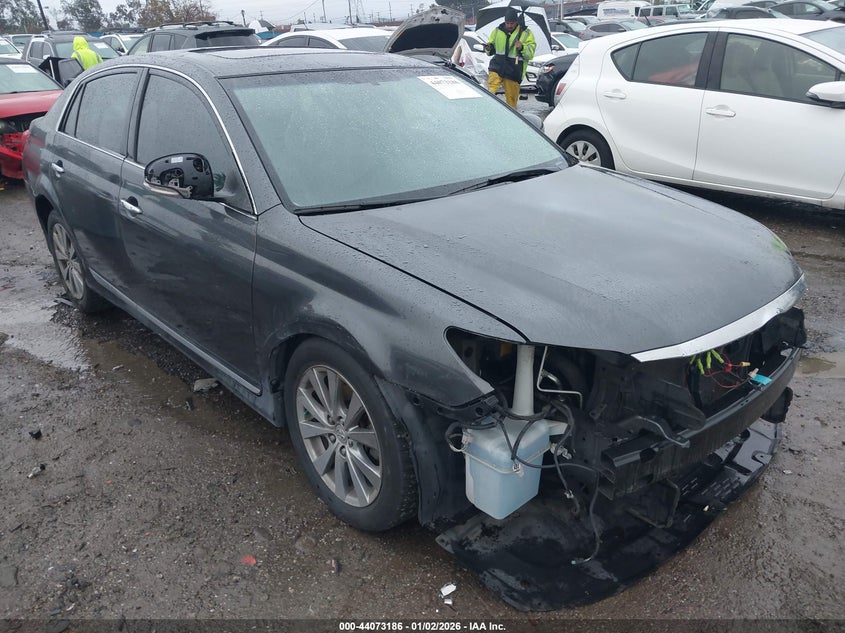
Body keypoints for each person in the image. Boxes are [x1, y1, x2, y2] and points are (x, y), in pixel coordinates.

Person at [484, 8, 536, 109]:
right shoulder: (497, 31)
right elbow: (490, 48)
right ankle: (488, 110)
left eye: (512, 23)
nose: (509, 25)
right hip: (497, 66)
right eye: (507, 23)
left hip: (513, 70)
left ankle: (511, 117)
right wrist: (489, 48)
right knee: (490, 91)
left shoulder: (525, 33)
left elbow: (530, 54)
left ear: (516, 22)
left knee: (511, 102)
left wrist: (522, 47)